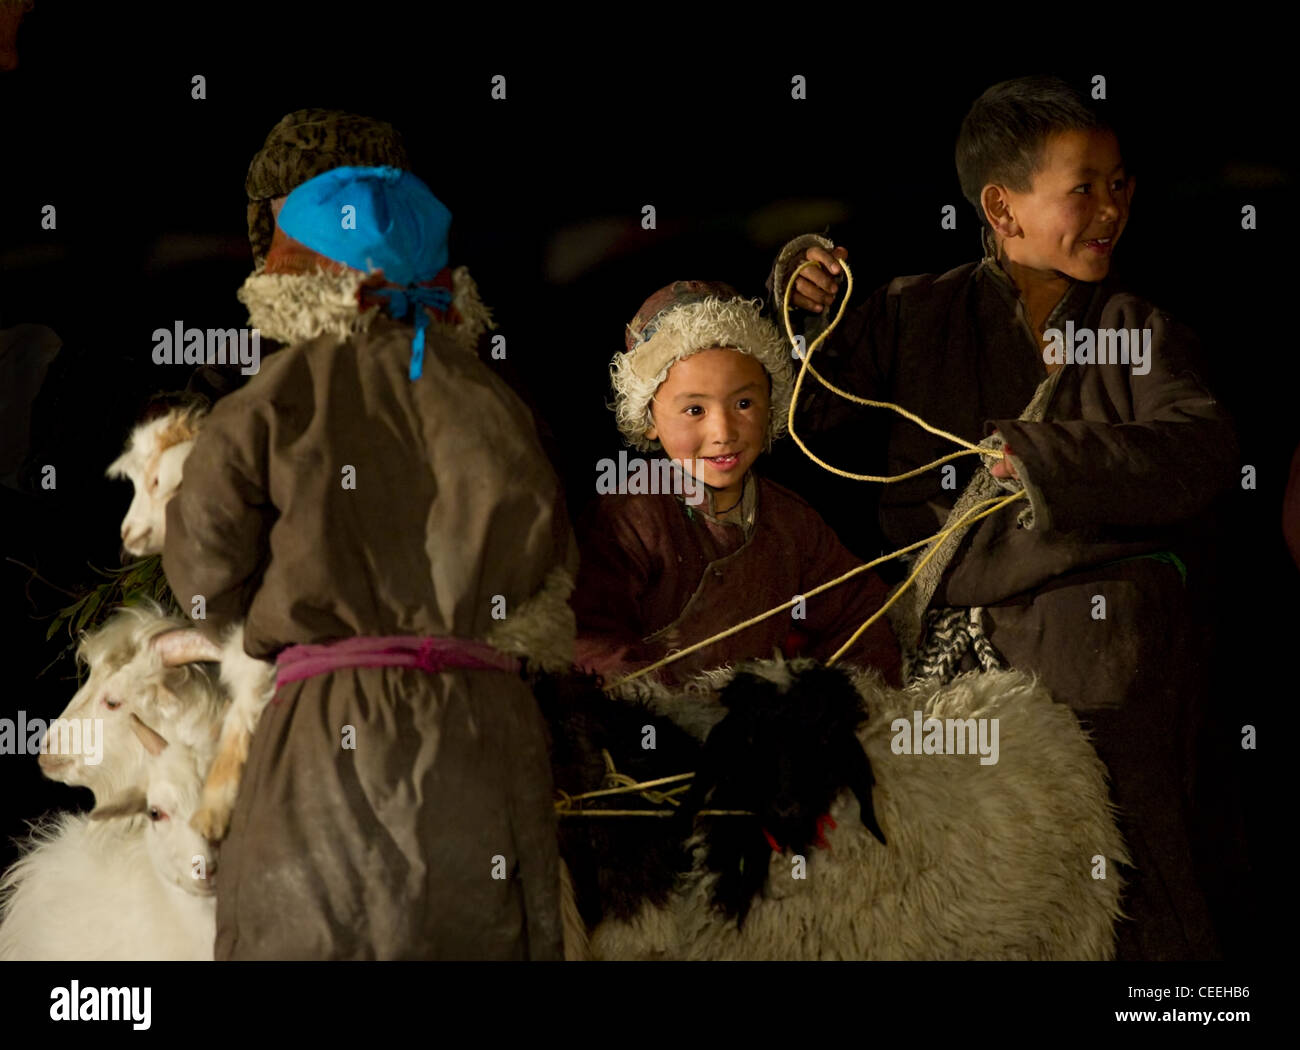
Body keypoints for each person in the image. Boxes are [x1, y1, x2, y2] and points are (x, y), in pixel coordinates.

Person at [771, 76, 1237, 960]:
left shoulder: (1133, 327)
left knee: (1132, 822)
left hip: (1095, 625)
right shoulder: (914, 311)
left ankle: (1181, 999)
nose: (1111, 208)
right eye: (1084, 188)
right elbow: (806, 408)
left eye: (1120, 184)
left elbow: (1203, 448)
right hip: (946, 630)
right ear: (1001, 205)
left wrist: (1047, 459)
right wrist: (804, 307)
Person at [163, 165, 576, 960]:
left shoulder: (278, 394)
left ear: (303, 277)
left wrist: (260, 618)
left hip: (330, 726)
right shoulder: (494, 402)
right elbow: (548, 566)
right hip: (483, 730)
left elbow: (205, 570)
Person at [571, 280, 900, 687]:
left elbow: (857, 611)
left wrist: (854, 703)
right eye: (695, 409)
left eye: (743, 404)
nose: (723, 430)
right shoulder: (630, 518)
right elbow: (590, 640)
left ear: (772, 402)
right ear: (649, 419)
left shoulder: (790, 523)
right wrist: (658, 721)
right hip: (649, 734)